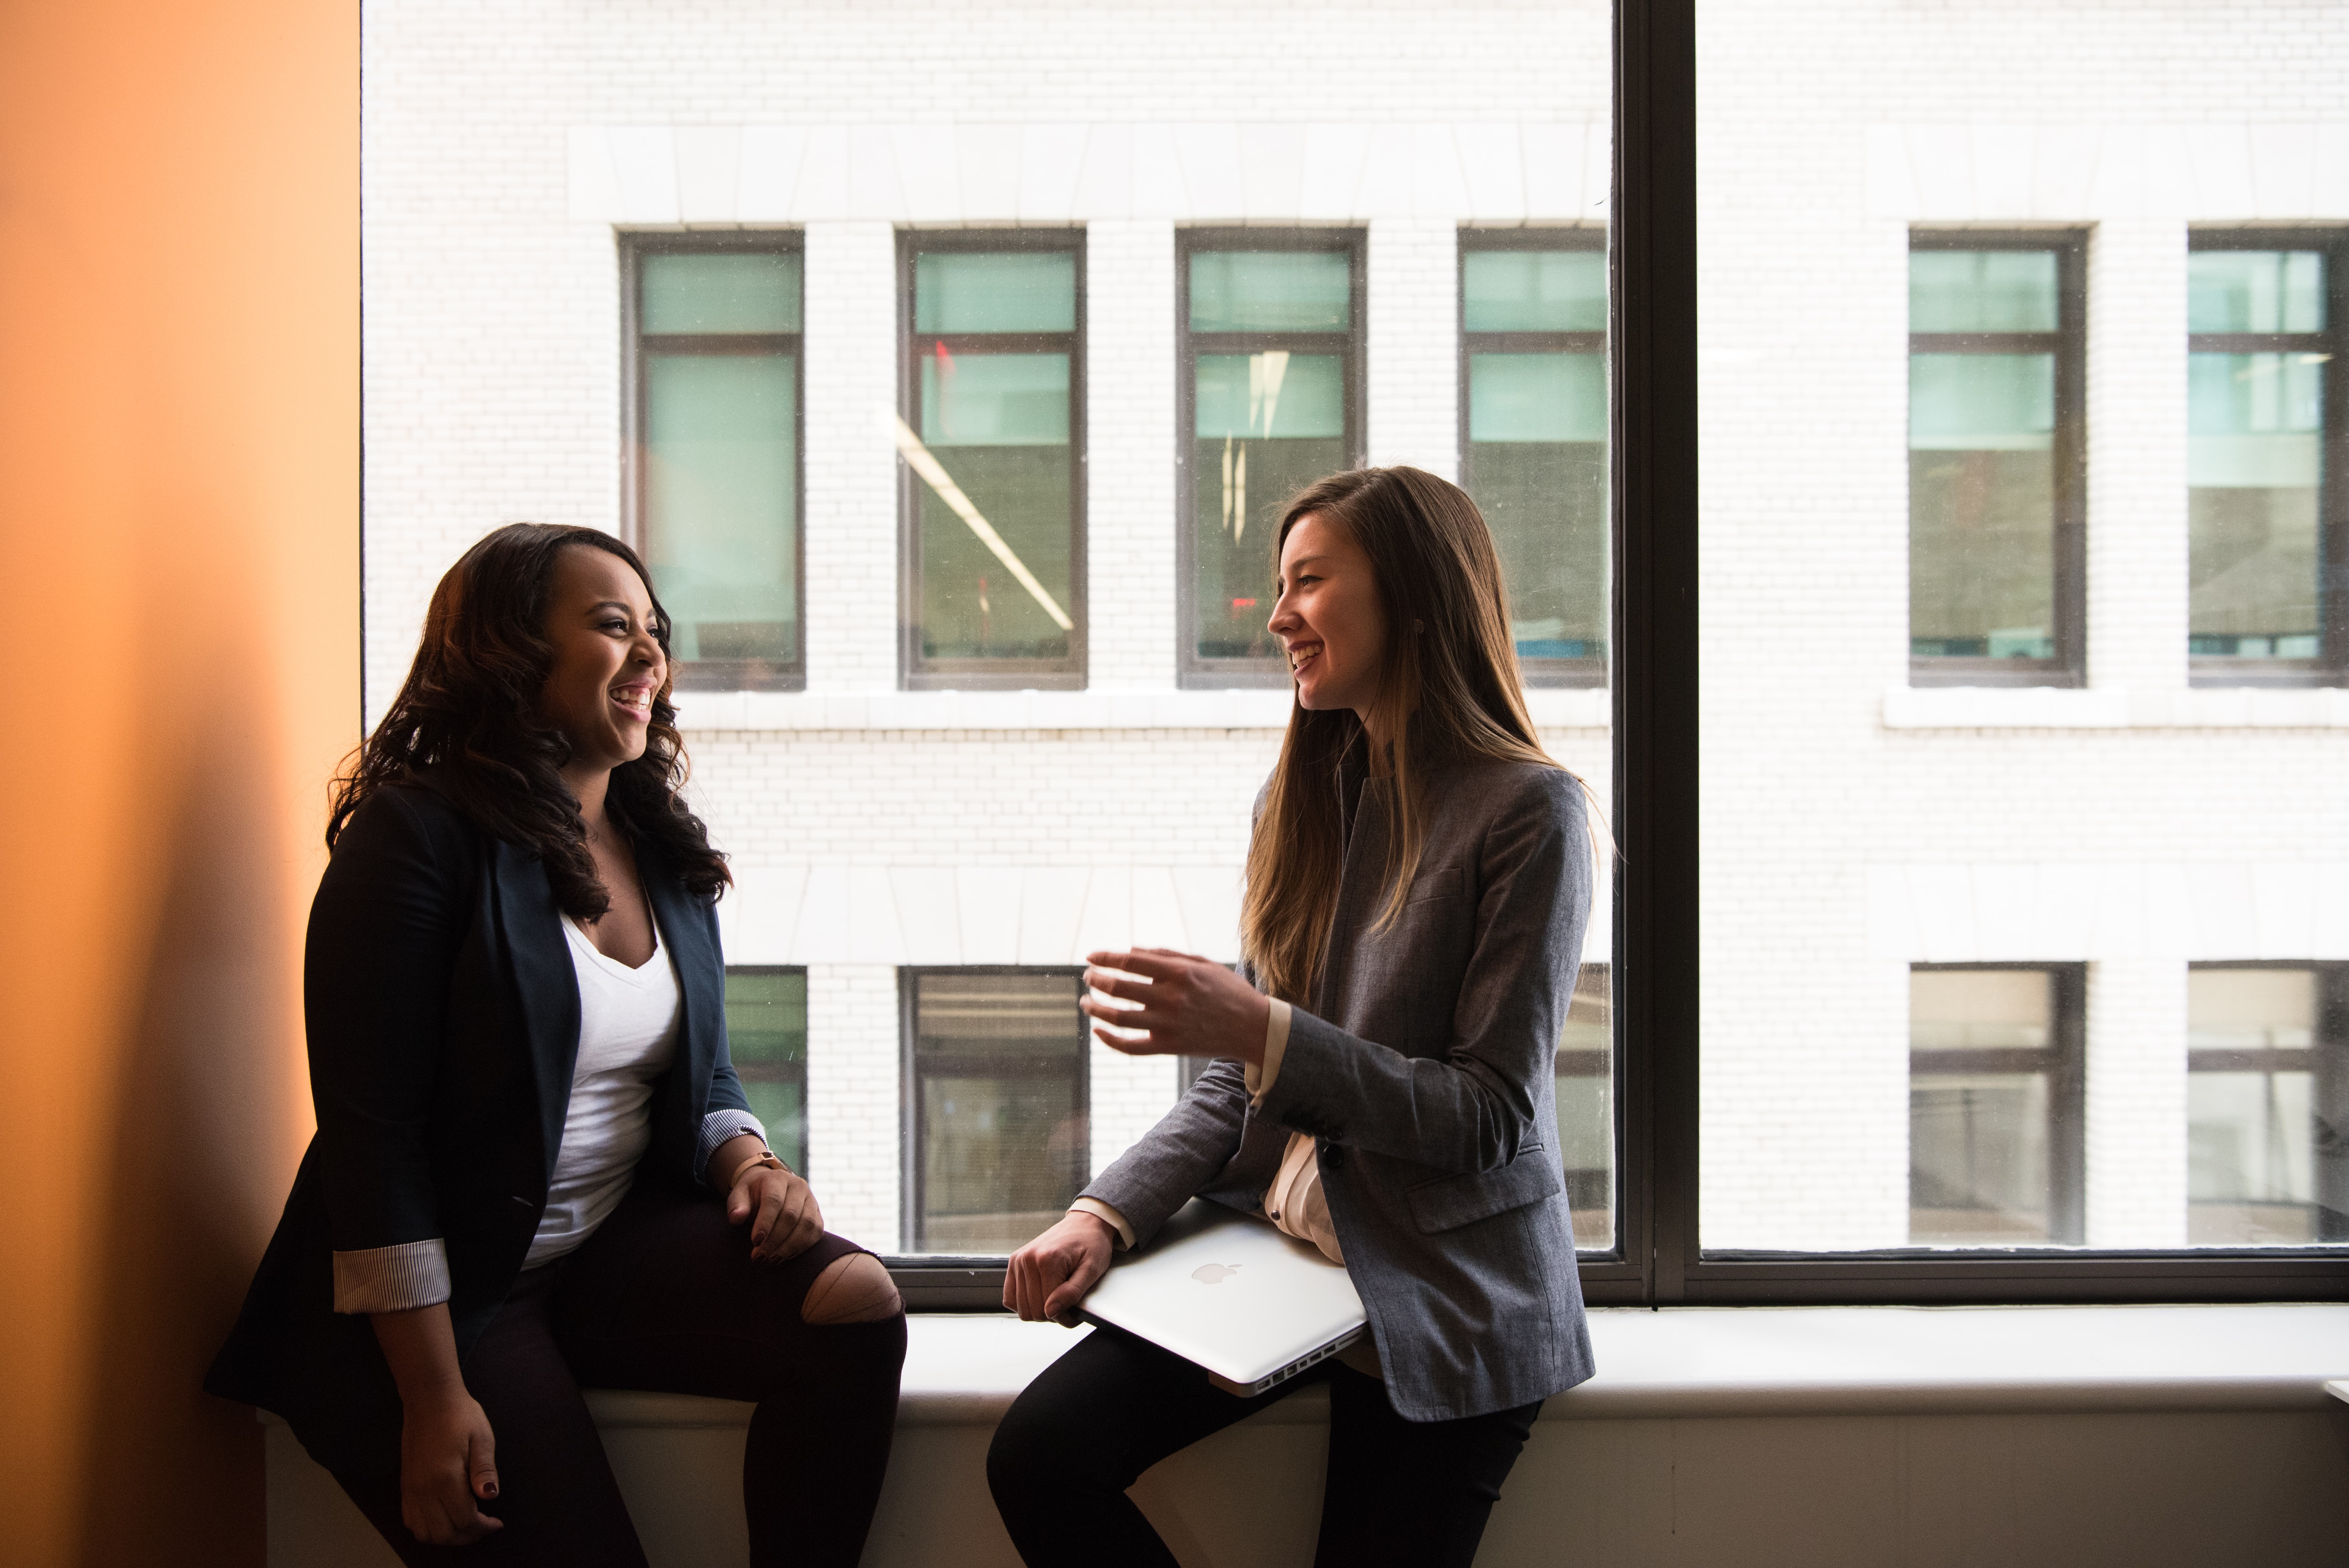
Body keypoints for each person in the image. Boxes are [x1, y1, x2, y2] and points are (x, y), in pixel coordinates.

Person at [206, 524, 905, 1566]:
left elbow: (699, 1070)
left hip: (591, 1250)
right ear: (508, 651)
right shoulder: (414, 836)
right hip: (439, 1305)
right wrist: (434, 1398)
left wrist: (751, 1161)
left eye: (657, 634)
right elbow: (374, 1138)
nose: (650, 657)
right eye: (613, 626)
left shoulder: (658, 843)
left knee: (856, 1305)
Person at [987, 467, 1598, 1568]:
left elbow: (1490, 1115)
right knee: (1038, 1454)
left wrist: (1261, 1033)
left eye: (1308, 582)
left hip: (1444, 1287)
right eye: (1280, 586)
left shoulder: (1528, 810)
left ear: (1413, 596)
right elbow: (1239, 1082)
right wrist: (1103, 1214)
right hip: (1288, 1259)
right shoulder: (1302, 798)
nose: (1277, 617)